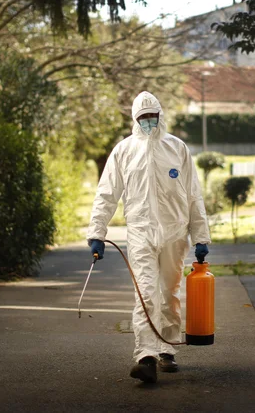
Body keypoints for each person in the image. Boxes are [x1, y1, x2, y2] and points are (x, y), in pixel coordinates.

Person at [87, 91, 211, 384]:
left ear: (160, 116)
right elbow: (107, 194)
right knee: (145, 295)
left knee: (168, 293)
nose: (148, 123)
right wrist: (97, 232)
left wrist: (200, 236)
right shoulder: (124, 151)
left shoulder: (177, 149)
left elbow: (193, 194)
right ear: (135, 120)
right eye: (142, 118)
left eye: (152, 117)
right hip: (141, 233)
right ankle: (145, 357)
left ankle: (167, 348)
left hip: (174, 232)